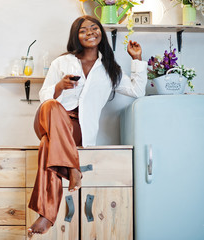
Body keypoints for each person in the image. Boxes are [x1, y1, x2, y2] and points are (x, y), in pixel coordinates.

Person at [27, 15, 147, 236]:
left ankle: (46, 215)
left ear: (101, 32)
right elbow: (43, 96)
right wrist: (60, 87)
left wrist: (137, 59)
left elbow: (137, 91)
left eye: (94, 28)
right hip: (51, 117)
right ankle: (73, 167)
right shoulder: (61, 63)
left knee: (47, 145)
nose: (90, 32)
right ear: (76, 36)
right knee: (52, 105)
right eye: (83, 30)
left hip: (78, 128)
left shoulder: (110, 69)